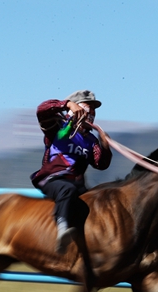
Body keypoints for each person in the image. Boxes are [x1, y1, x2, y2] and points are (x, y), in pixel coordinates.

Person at [31, 90, 112, 253]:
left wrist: (105, 146)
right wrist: (66, 103)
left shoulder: (91, 141)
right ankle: (62, 229)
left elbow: (100, 164)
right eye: (88, 107)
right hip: (52, 179)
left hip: (78, 185)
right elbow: (42, 109)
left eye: (93, 110)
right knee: (67, 189)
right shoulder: (56, 127)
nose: (91, 113)